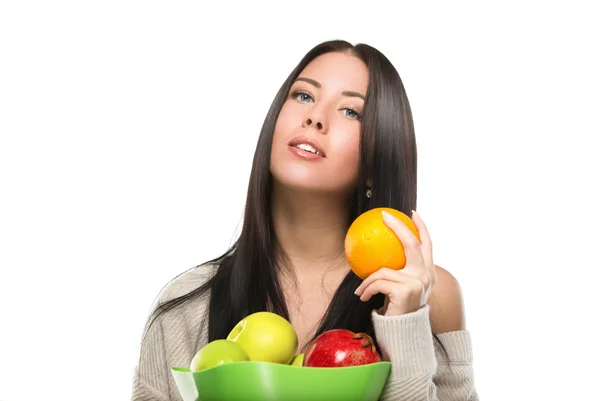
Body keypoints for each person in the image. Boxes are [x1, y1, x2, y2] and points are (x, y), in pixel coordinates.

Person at [132, 39, 478, 400]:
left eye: (351, 112)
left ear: (377, 159)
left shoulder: (432, 298)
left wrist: (404, 323)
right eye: (304, 96)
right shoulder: (186, 307)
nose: (315, 117)